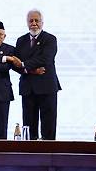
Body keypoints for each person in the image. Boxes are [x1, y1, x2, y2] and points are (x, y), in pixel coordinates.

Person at [15, 9, 61, 140]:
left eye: (37, 20)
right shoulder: (21, 40)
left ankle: (49, 153)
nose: (34, 23)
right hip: (28, 87)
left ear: (42, 22)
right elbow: (16, 64)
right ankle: (30, 154)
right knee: (29, 125)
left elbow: (46, 59)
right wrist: (31, 70)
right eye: (31, 21)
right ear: (27, 23)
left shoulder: (50, 39)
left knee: (49, 124)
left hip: (47, 87)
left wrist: (24, 64)